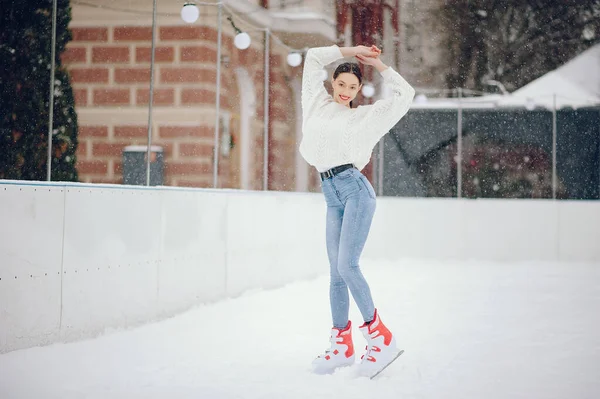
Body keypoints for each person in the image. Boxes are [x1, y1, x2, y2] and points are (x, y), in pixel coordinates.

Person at [299, 44, 415, 376]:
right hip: (330, 193)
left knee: (348, 266)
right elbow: (313, 57)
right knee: (335, 273)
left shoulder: (365, 117)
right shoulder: (315, 104)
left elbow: (405, 94)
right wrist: (352, 50)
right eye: (341, 84)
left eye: (352, 87)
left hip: (355, 191)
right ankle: (342, 345)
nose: (345, 92)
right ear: (332, 83)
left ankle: (380, 339)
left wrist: (378, 64)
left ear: (358, 90)